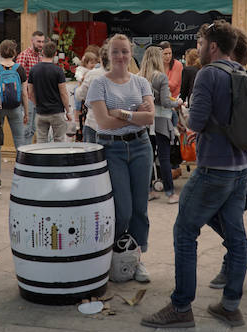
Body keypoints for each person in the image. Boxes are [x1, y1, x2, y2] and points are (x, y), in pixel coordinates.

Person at [141, 20, 247, 329]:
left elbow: (197, 123)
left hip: (213, 168)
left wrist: (187, 117)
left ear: (212, 46)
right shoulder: (241, 71)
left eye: (201, 43)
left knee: (185, 232)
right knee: (236, 235)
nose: (198, 49)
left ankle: (180, 307)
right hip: (241, 167)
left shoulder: (208, 74)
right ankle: (231, 306)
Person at [87, 34, 155, 282]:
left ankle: (136, 260)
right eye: (116, 51)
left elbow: (149, 118)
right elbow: (103, 122)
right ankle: (113, 255)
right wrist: (134, 113)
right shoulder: (99, 84)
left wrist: (122, 114)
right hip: (111, 149)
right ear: (108, 54)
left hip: (141, 146)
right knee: (122, 210)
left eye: (125, 51)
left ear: (131, 53)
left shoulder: (141, 82)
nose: (121, 56)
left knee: (140, 209)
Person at [206, 28, 247, 296]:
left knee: (220, 215)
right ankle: (237, 261)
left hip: (233, 163)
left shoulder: (236, 80)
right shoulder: (241, 79)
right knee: (228, 218)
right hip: (242, 161)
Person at [139, 45, 183, 204]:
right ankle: (170, 193)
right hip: (161, 121)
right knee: (164, 158)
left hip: (144, 121)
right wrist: (176, 102)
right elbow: (165, 101)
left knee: (148, 157)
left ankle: (149, 190)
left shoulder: (139, 76)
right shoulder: (161, 77)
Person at [0, 39, 29, 181]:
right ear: (14, 52)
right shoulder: (19, 69)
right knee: (19, 140)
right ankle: (21, 174)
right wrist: (26, 112)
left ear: (0, 52)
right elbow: (24, 92)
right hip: (15, 108)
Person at [26, 41, 72, 143]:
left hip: (41, 112)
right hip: (57, 111)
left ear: (42, 52)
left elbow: (31, 91)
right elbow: (63, 93)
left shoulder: (34, 70)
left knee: (41, 142)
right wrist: (68, 111)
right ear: (55, 54)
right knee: (59, 141)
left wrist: (37, 104)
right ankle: (58, 159)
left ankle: (43, 159)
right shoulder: (58, 70)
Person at [74, 45, 109, 144]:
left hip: (94, 122)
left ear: (101, 58)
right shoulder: (124, 75)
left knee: (91, 156)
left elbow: (79, 95)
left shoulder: (93, 74)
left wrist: (80, 85)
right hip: (115, 126)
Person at [16, 31, 45, 142]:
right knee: (26, 129)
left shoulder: (41, 56)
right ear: (32, 41)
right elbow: (18, 77)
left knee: (33, 129)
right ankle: (23, 155)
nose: (41, 44)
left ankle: (27, 156)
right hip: (27, 98)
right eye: (38, 41)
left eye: (42, 42)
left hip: (38, 98)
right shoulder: (24, 55)